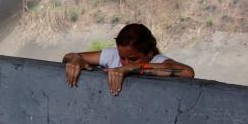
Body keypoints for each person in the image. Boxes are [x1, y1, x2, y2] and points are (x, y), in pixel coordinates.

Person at [62, 23, 194, 96]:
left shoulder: (157, 60)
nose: (124, 62)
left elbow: (187, 72)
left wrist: (132, 68)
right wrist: (75, 59)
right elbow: (69, 56)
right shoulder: (112, 55)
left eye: (133, 59)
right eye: (122, 57)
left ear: (149, 52)